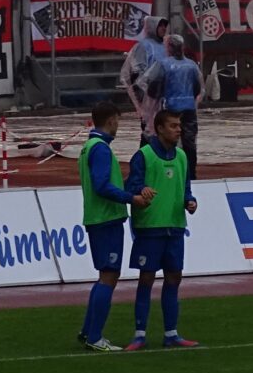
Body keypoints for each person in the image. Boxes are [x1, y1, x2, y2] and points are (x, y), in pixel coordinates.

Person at [77, 100, 155, 352]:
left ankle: (89, 331)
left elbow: (103, 183)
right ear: (111, 120)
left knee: (104, 275)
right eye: (118, 120)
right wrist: (130, 198)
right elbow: (102, 186)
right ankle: (95, 336)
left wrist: (128, 184)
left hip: (98, 218)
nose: (118, 125)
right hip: (105, 219)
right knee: (109, 276)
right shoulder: (100, 148)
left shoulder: (89, 147)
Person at [124, 110, 199, 351]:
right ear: (159, 129)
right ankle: (139, 334)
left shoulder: (181, 157)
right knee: (146, 278)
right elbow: (131, 186)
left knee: (174, 278)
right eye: (173, 126)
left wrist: (190, 201)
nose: (179, 129)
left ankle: (171, 333)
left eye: (179, 125)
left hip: (175, 227)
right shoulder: (143, 156)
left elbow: (185, 187)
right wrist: (142, 189)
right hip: (150, 227)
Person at [142, 33, 204, 174]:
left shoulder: (164, 64)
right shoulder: (191, 65)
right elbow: (197, 88)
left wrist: (153, 102)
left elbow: (154, 85)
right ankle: (191, 172)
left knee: (169, 141)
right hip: (189, 108)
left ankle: (171, 170)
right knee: (189, 143)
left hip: (171, 109)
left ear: (169, 47)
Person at [120, 16, 169, 145]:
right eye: (161, 25)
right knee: (149, 132)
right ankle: (145, 160)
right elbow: (136, 74)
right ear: (153, 27)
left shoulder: (165, 46)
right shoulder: (144, 46)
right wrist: (144, 99)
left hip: (162, 97)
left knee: (161, 133)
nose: (164, 28)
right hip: (149, 97)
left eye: (165, 25)